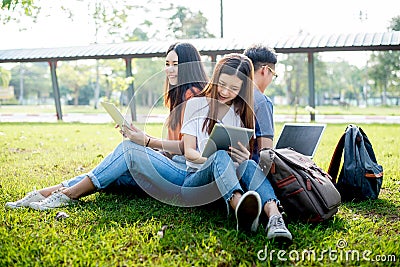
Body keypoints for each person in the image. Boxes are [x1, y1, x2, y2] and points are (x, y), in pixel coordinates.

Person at [5, 42, 208, 210]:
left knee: (127, 149)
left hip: (185, 176)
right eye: (167, 63)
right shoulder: (180, 95)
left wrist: (145, 142)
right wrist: (141, 138)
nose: (170, 69)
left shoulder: (193, 95)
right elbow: (173, 148)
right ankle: (45, 193)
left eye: (176, 64)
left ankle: (67, 195)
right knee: (115, 171)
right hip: (173, 167)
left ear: (189, 66)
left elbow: (187, 148)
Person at [179, 53, 292, 240]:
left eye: (233, 88)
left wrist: (241, 157)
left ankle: (275, 218)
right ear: (215, 79)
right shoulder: (195, 104)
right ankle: (241, 209)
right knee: (220, 156)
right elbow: (189, 151)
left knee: (248, 164)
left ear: (242, 89)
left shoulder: (239, 113)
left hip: (224, 184)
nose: (224, 92)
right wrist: (214, 160)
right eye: (222, 84)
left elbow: (240, 161)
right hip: (195, 184)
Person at [243, 44, 278, 162]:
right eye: (273, 74)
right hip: (252, 171)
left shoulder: (231, 94)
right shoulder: (262, 102)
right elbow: (266, 152)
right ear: (265, 70)